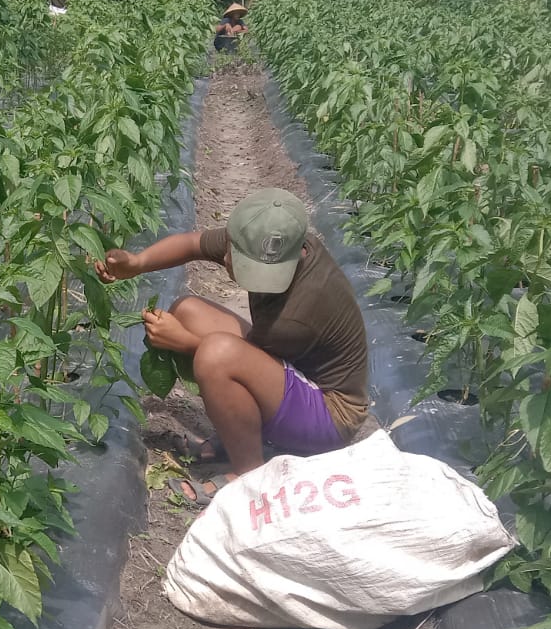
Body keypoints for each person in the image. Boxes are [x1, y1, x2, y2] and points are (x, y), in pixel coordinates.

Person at [95, 187, 369, 484]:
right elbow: (191, 244)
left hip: (330, 416)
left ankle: (248, 475)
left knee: (216, 357)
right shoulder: (280, 245)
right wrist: (137, 264)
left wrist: (183, 342)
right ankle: (239, 433)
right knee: (188, 311)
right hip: (298, 375)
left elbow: (236, 360)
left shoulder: (299, 312)